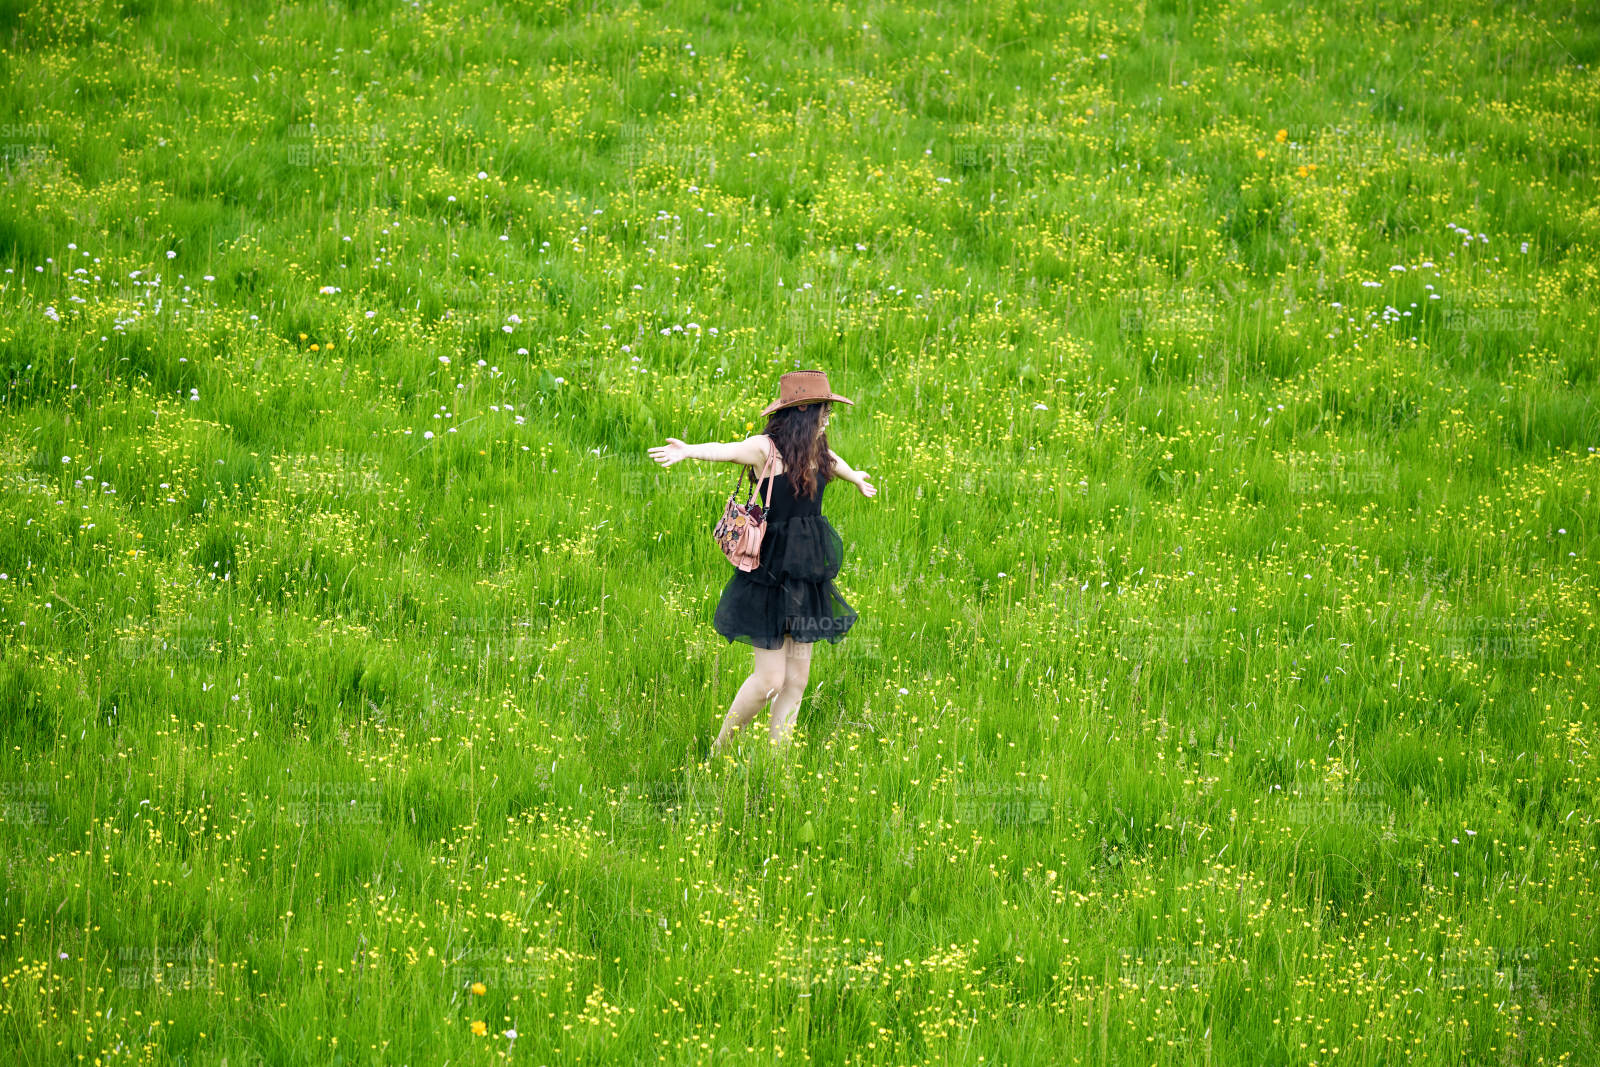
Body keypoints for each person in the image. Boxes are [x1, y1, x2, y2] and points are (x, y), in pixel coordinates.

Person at [648, 370, 877, 756]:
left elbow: (835, 462)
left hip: (806, 576)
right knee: (770, 678)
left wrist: (855, 477)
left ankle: (777, 762)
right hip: (768, 574)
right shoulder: (765, 449)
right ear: (803, 411)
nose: (827, 418)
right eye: (823, 410)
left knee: (797, 680)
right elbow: (726, 448)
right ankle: (720, 749)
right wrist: (688, 449)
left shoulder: (817, 449)